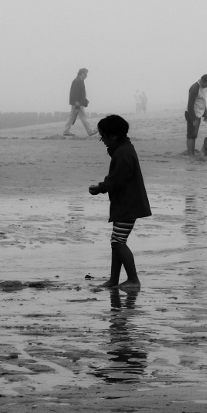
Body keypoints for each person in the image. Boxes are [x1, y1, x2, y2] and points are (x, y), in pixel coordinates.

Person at [89, 115, 150, 291]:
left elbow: (115, 181)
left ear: (114, 136)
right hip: (126, 203)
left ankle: (133, 280)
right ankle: (114, 279)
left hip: (128, 204)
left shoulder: (123, 154)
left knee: (118, 241)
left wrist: (99, 188)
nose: (102, 140)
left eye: (103, 136)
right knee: (116, 241)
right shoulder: (124, 149)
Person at [63, 68, 98, 137]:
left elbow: (80, 93)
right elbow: (74, 92)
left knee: (72, 116)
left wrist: (84, 100)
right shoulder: (77, 81)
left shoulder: (80, 81)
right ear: (82, 73)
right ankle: (90, 131)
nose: (86, 76)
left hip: (78, 102)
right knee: (83, 116)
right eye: (86, 74)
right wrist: (76, 101)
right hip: (77, 103)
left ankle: (66, 131)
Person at [185, 74, 207, 156]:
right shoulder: (194, 88)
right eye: (206, 84)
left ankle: (192, 153)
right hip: (191, 113)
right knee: (190, 135)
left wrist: (205, 112)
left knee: (194, 135)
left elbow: (203, 100)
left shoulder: (204, 87)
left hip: (199, 113)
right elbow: (190, 104)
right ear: (202, 81)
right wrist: (193, 119)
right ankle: (191, 155)